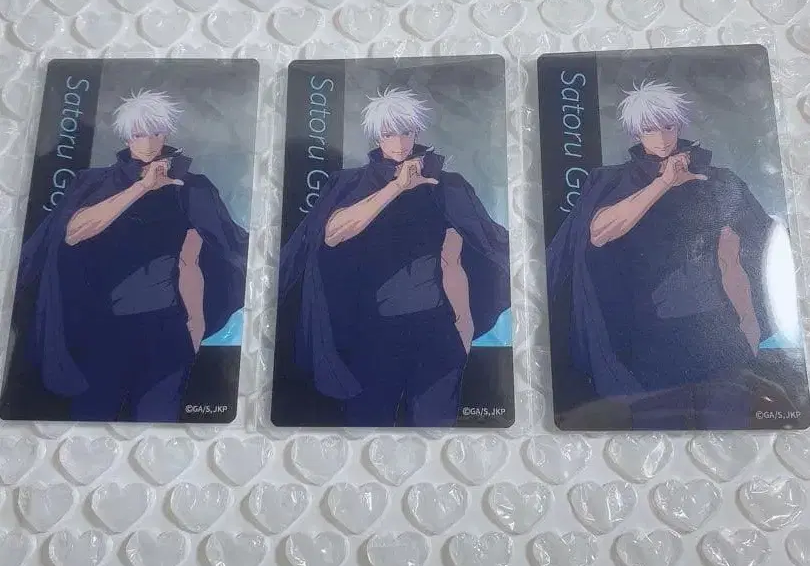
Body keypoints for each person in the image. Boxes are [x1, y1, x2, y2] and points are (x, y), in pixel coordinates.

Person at [547, 80, 781, 429]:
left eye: (668, 126)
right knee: (654, 430)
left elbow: (732, 259)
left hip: (716, 331)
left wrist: (749, 325)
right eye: (649, 129)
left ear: (679, 126)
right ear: (635, 132)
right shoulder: (611, 181)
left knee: (730, 427)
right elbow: (599, 232)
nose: (660, 137)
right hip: (647, 338)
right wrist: (663, 183)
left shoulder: (718, 182)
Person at [4, 90, 248, 422]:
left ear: (165, 134)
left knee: (159, 424)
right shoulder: (95, 182)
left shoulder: (191, 189)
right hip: (101, 330)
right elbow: (73, 232)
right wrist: (141, 188)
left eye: (154, 132)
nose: (146, 142)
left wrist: (196, 323)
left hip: (165, 328)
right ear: (126, 137)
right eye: (137, 134)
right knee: (90, 421)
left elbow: (190, 261)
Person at [277, 87, 510, 427]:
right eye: (388, 134)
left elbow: (457, 258)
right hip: (372, 333)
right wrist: (397, 187)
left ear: (417, 132)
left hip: (436, 329)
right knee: (367, 430)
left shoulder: (446, 186)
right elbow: (331, 233)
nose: (399, 142)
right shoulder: (350, 182)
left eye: (406, 132)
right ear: (377, 137)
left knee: (436, 432)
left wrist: (463, 326)